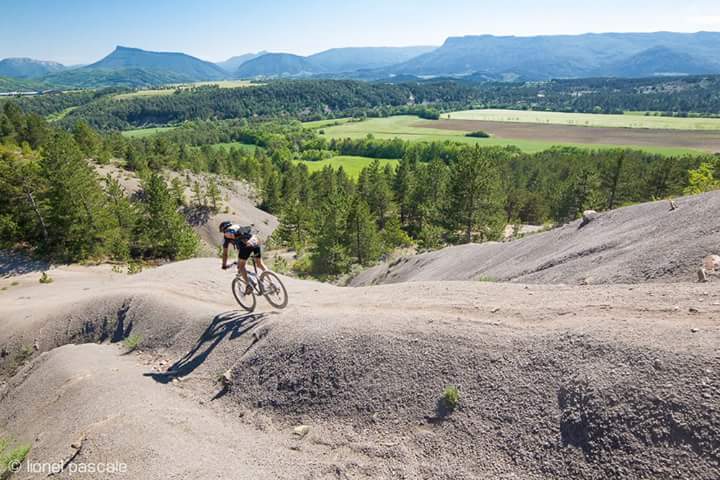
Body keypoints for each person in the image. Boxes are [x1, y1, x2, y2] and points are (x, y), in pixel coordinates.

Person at [219, 221, 268, 294]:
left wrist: (224, 265)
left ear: (223, 229)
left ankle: (249, 285)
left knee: (241, 266)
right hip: (255, 241)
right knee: (259, 263)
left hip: (247, 246)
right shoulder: (239, 227)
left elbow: (225, 254)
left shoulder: (227, 235)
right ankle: (271, 282)